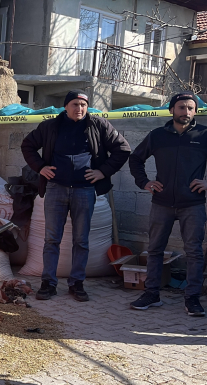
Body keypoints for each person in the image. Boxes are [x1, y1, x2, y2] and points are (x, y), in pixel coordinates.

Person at [21, 90, 131, 302]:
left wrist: (103, 172)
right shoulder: (50, 126)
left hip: (84, 190)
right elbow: (28, 145)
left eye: (83, 105)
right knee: (51, 239)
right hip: (56, 188)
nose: (79, 108)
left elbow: (122, 149)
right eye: (75, 104)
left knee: (81, 240)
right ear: (66, 106)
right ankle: (48, 283)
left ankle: (77, 283)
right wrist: (41, 167)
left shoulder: (98, 125)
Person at [128, 92, 207, 317]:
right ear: (172, 109)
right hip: (161, 203)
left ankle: (192, 298)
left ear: (195, 111)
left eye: (190, 108)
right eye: (181, 107)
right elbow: (135, 159)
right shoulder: (157, 136)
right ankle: (151, 294)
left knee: (194, 252)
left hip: (193, 204)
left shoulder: (204, 135)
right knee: (154, 250)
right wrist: (145, 182)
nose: (186, 112)